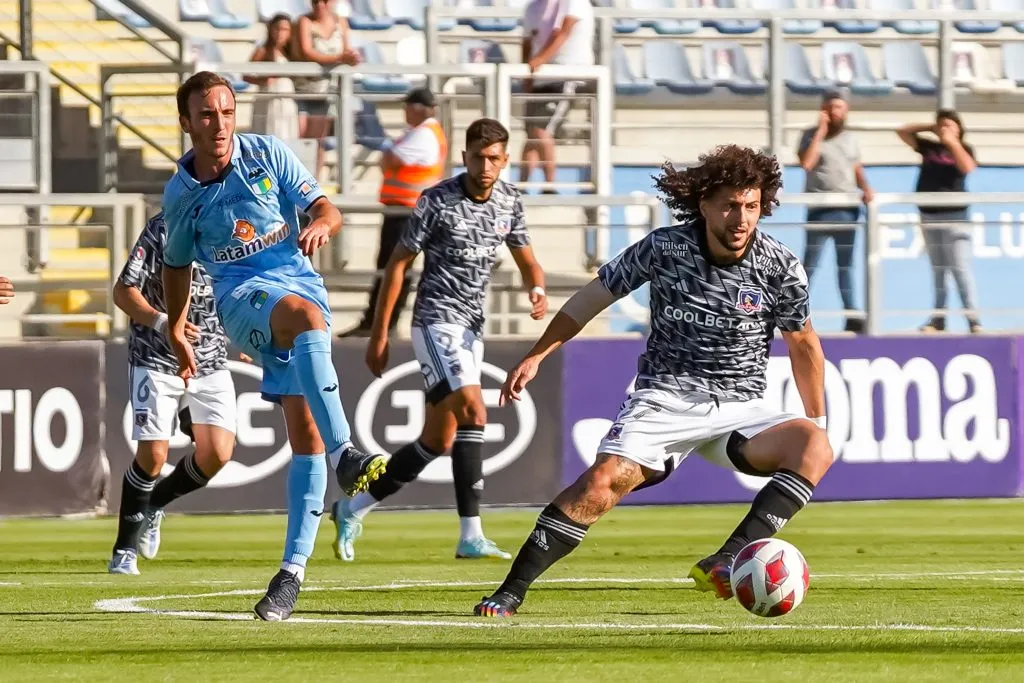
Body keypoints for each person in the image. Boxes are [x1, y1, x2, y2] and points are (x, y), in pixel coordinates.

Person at [474, 145, 832, 617]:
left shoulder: (779, 266)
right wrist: (539, 353)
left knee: (815, 447)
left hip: (742, 408)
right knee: (600, 486)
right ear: (704, 204)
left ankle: (728, 557)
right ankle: (511, 590)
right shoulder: (665, 248)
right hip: (665, 398)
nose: (742, 218)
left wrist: (818, 420)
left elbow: (803, 343)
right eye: (729, 205)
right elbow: (591, 298)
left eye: (751, 205)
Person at [161, 71, 386, 621]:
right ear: (186, 122)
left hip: (302, 285)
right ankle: (347, 454)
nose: (219, 124)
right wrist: (175, 325)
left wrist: (322, 226)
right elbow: (175, 264)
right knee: (305, 320)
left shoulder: (268, 153)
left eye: (227, 111)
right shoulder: (182, 196)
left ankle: (290, 577)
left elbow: (326, 208)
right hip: (241, 299)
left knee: (303, 435)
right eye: (207, 114)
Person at [331, 118, 548, 562]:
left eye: (494, 158)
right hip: (434, 321)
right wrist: (379, 333)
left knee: (437, 440)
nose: (485, 166)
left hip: (472, 328)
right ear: (464, 156)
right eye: (477, 157)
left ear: (505, 161)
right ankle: (471, 535)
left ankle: (350, 509)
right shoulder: (437, 200)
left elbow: (527, 258)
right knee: (474, 409)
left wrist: (537, 288)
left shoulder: (509, 201)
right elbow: (398, 264)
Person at [108, 213, 237, 576]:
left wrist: (243, 332)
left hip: (210, 359)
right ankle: (123, 550)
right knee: (153, 455)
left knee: (217, 454)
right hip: (155, 354)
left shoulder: (236, 226)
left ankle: (156, 504)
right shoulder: (163, 227)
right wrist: (164, 323)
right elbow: (123, 290)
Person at [338, 87, 449, 338]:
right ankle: (377, 322)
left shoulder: (423, 134)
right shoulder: (421, 133)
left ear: (418, 108)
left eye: (408, 107)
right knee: (391, 268)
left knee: (393, 268)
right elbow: (388, 159)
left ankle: (381, 324)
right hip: (404, 210)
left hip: (408, 212)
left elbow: (389, 160)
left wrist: (388, 159)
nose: (404, 112)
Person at [896, 110, 980, 333]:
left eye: (951, 125)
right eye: (942, 125)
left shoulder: (965, 148)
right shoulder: (929, 147)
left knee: (960, 268)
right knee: (938, 269)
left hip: (955, 217)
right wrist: (931, 127)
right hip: (929, 216)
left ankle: (973, 320)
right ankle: (939, 318)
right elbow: (902, 131)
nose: (945, 129)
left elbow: (968, 167)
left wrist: (952, 141)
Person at [797, 90, 873, 334]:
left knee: (845, 266)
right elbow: (807, 163)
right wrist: (820, 131)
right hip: (820, 210)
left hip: (847, 210)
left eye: (839, 108)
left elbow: (856, 167)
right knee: (809, 266)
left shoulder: (850, 138)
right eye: (830, 108)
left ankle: (851, 314)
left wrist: (867, 189)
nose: (835, 112)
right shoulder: (809, 135)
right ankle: (792, 310)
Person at [520, 0, 594, 193]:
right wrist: (527, 74)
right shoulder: (533, 8)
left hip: (566, 76)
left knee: (543, 131)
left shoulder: (574, 3)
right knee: (532, 133)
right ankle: (522, 185)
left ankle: (549, 185)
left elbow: (563, 31)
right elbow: (527, 41)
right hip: (540, 78)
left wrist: (539, 61)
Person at [292, 0, 361, 178]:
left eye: (324, 0)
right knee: (301, 137)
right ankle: (293, 180)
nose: (319, 4)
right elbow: (307, 52)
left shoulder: (341, 22)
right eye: (315, 1)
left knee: (318, 140)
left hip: (327, 90)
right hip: (303, 89)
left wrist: (349, 57)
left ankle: (312, 180)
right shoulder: (304, 21)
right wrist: (339, 59)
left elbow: (347, 50)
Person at [246, 13, 299, 141]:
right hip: (269, 98)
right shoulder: (263, 51)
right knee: (269, 131)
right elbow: (246, 75)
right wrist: (263, 80)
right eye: (277, 28)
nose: (280, 33)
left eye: (285, 29)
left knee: (286, 133)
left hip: (286, 98)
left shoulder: (290, 53)